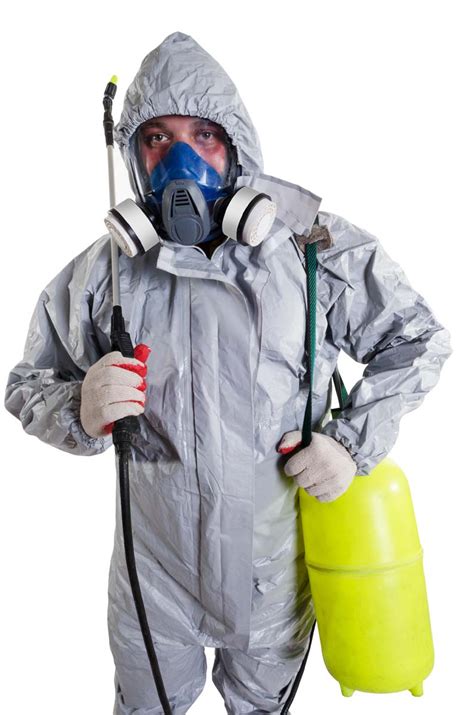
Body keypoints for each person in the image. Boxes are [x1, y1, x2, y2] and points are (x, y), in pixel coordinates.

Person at [4, 31, 452, 714]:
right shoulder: (105, 275)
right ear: (133, 156)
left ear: (237, 147)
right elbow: (26, 384)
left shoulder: (313, 253)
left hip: (273, 582)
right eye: (157, 138)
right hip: (153, 587)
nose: (180, 159)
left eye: (203, 136)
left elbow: (416, 338)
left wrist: (350, 443)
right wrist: (80, 408)